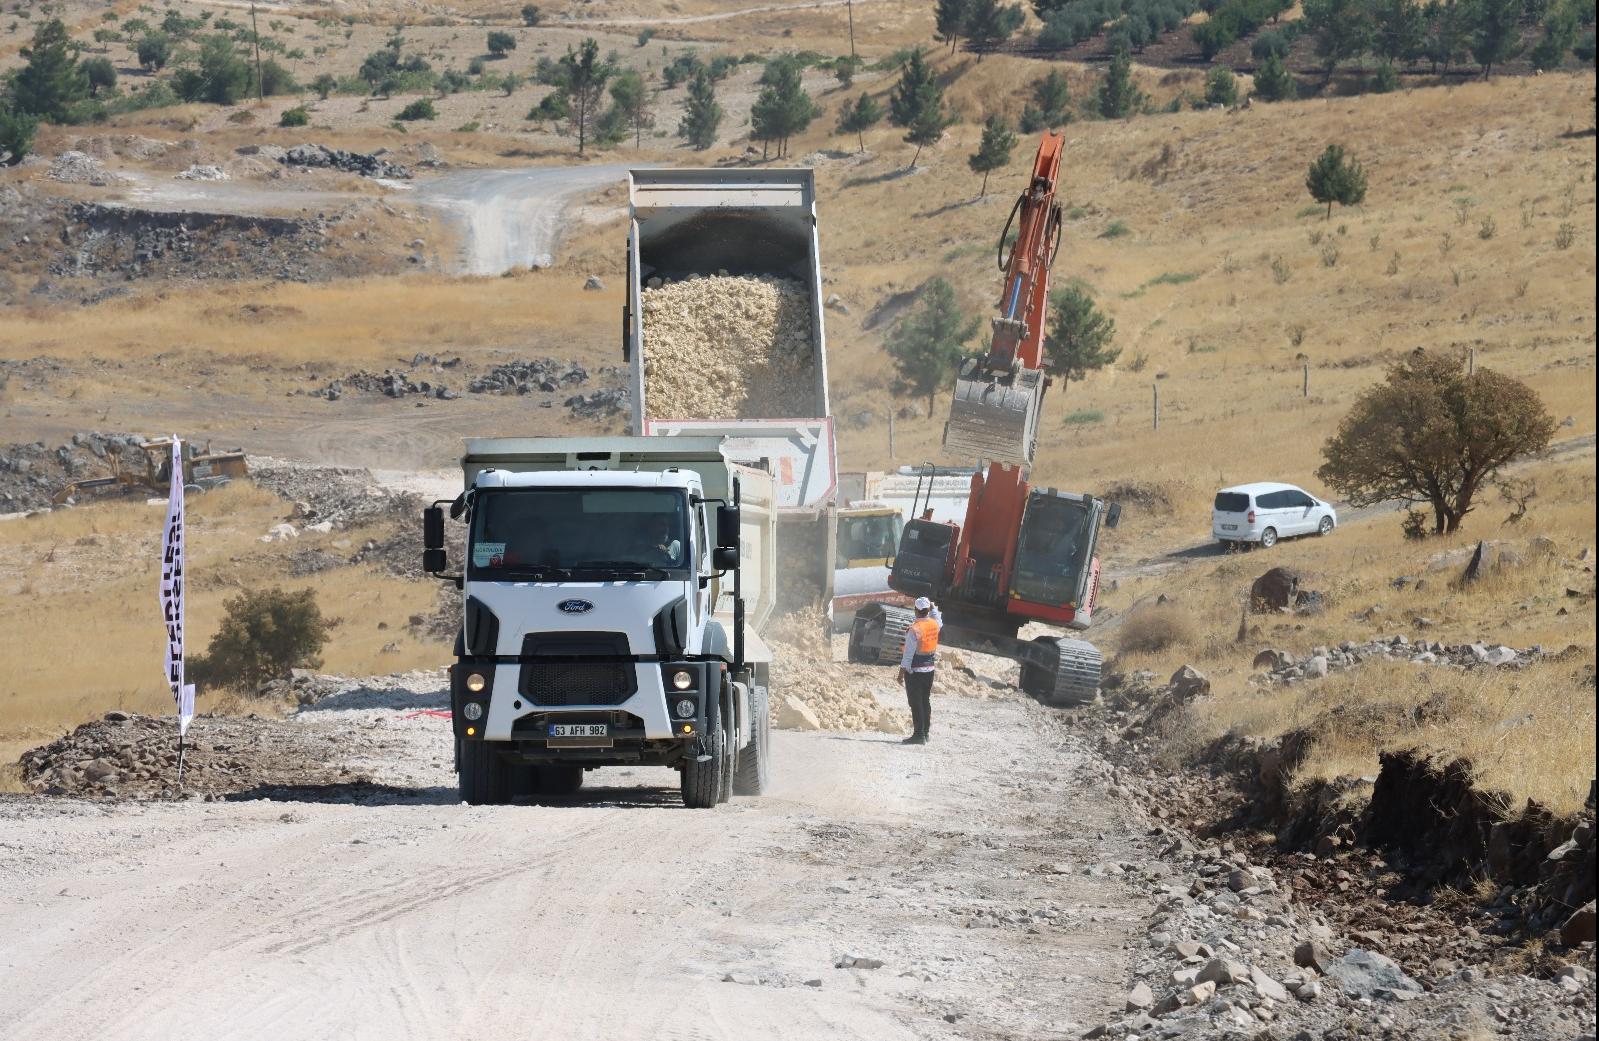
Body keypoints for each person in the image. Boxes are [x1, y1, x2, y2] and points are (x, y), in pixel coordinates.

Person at [896, 596, 941, 745]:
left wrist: (901, 673)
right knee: (925, 701)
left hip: (915, 671)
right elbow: (939, 620)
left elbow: (908, 655)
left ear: (915, 610)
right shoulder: (934, 624)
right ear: (927, 610)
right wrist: (934, 609)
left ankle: (918, 735)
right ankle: (925, 733)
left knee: (915, 703)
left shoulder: (914, 630)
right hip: (930, 670)